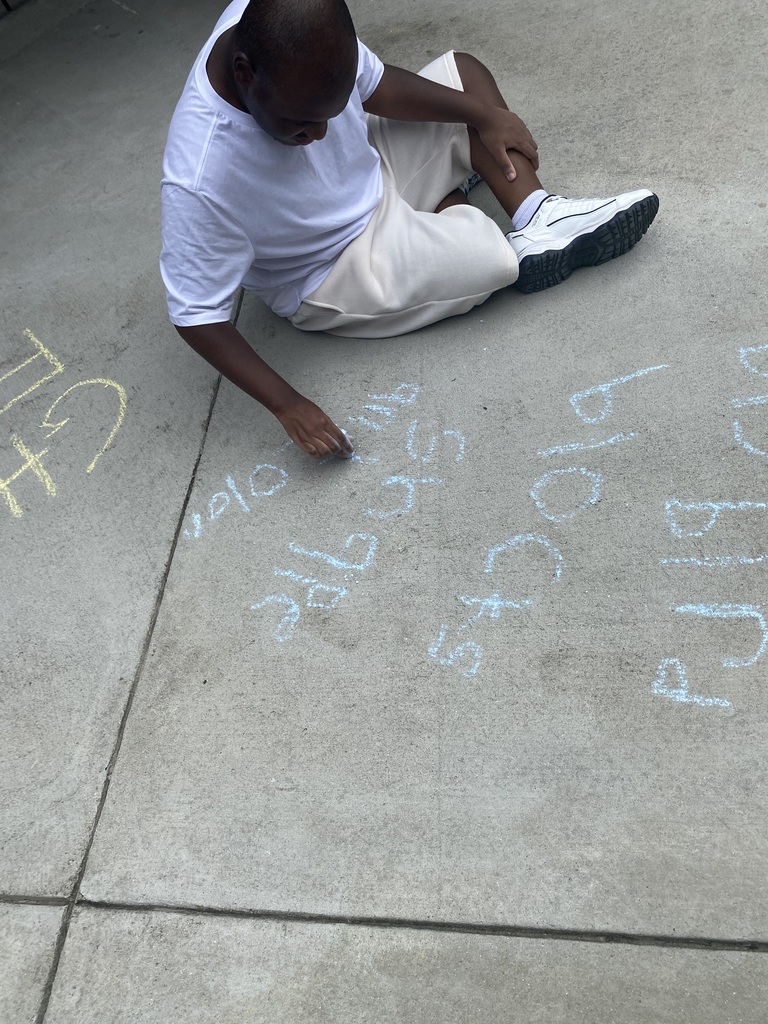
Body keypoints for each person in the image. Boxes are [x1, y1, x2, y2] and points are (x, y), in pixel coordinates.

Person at [160, 0, 658, 460]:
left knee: (465, 78)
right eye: (301, 123)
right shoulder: (201, 175)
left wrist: (487, 117)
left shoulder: (289, 26)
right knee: (490, 260)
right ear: (244, 74)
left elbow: (379, 87)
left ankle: (538, 213)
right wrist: (287, 404)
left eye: (331, 113)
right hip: (333, 262)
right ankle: (456, 206)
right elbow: (196, 313)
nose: (320, 135)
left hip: (371, 167)